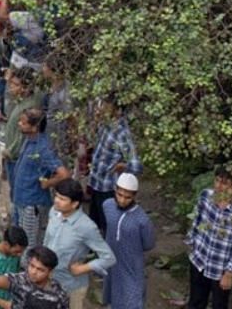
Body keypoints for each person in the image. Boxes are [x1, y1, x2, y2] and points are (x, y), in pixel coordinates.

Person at [185, 167, 232, 309]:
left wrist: (229, 273)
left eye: (224, 183)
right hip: (199, 260)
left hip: (220, 269)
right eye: (217, 181)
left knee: (219, 305)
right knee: (196, 302)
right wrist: (192, 243)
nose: (218, 186)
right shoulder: (206, 196)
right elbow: (197, 219)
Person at [43, 179, 115, 309]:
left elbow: (109, 258)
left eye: (62, 199)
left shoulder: (86, 227)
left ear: (75, 204)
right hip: (48, 280)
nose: (56, 201)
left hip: (71, 286)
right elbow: (47, 240)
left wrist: (83, 268)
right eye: (56, 196)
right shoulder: (54, 212)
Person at [9, 108, 68, 249]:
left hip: (31, 203)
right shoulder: (29, 140)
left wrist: (48, 183)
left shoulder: (43, 149)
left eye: (23, 123)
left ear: (34, 127)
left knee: (28, 242)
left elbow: (64, 174)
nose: (19, 124)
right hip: (21, 198)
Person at [86, 98, 142, 233]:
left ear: (117, 110)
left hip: (108, 188)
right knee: (94, 223)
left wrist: (122, 166)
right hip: (96, 183)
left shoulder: (121, 133)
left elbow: (136, 165)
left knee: (108, 226)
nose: (101, 108)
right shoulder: (105, 125)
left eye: (105, 105)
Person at [100, 173, 154, 309]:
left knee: (132, 299)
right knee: (111, 293)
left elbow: (148, 244)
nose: (123, 200)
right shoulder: (107, 206)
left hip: (131, 266)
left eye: (128, 197)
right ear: (115, 191)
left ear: (135, 196)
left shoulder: (142, 220)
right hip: (111, 262)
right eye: (119, 195)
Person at [0, 246, 69, 309]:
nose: (34, 272)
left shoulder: (59, 295)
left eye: (40, 270)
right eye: (32, 266)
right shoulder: (20, 280)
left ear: (50, 272)